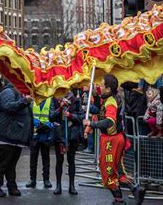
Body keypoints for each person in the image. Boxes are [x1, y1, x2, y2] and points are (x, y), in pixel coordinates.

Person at [83, 74, 145, 205]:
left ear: (108, 89)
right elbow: (100, 109)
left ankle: (119, 199)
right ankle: (135, 189)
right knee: (117, 169)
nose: (100, 85)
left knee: (108, 169)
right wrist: (94, 95)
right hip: (116, 138)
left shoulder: (111, 101)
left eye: (102, 84)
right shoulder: (110, 98)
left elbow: (109, 121)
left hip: (112, 140)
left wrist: (91, 124)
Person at [0, 79, 32, 198]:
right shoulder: (9, 91)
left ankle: (11, 186)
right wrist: (24, 101)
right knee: (2, 162)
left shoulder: (20, 93)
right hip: (4, 135)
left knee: (11, 163)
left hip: (14, 137)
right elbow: (8, 107)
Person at [50, 91, 84, 195]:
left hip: (72, 136)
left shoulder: (76, 101)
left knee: (71, 160)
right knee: (59, 160)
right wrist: (60, 108)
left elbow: (81, 117)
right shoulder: (54, 100)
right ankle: (58, 186)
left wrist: (70, 115)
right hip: (60, 135)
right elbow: (51, 117)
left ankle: (72, 186)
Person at [26, 97, 57, 189]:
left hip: (45, 133)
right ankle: (32, 179)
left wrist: (46, 125)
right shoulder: (33, 99)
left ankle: (46, 179)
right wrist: (36, 123)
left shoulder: (50, 100)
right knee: (33, 158)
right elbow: (30, 116)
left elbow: (52, 116)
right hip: (35, 133)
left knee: (45, 158)